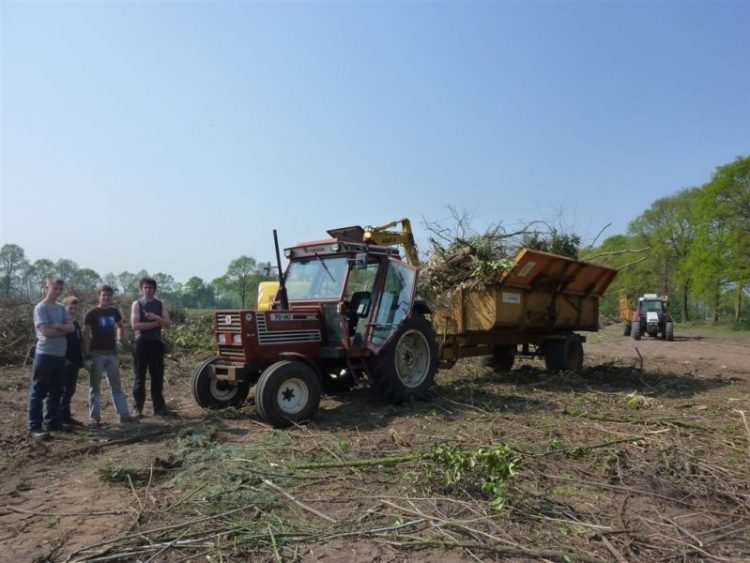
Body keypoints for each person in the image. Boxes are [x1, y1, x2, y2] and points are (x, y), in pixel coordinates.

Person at [28, 276, 74, 440]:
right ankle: (35, 427)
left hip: (59, 356)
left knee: (56, 391)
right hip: (45, 355)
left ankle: (53, 422)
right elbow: (45, 333)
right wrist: (62, 330)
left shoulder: (61, 308)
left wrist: (56, 327)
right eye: (55, 288)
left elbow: (71, 327)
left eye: (60, 289)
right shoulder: (41, 308)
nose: (58, 292)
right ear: (46, 288)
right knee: (38, 392)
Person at [84, 285, 132, 425]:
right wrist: (87, 355)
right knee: (95, 387)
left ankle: (123, 415)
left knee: (116, 385)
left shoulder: (114, 312)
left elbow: (120, 326)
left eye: (108, 295)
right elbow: (86, 335)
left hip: (111, 353)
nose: (106, 298)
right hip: (96, 353)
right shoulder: (91, 313)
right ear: (98, 296)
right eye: (103, 295)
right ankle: (94, 417)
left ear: (112, 297)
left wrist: (118, 340)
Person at [131, 277, 172, 416]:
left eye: (150, 288)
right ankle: (137, 408)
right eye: (145, 287)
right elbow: (135, 326)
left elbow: (168, 324)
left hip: (156, 344)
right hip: (141, 343)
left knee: (157, 377)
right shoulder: (137, 304)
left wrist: (156, 317)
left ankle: (159, 408)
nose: (148, 290)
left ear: (154, 289)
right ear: (141, 289)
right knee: (139, 377)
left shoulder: (161, 304)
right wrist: (155, 324)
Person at [60, 296, 84, 427]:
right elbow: (59, 342)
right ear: (64, 308)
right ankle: (61, 418)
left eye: (75, 308)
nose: (73, 310)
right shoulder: (62, 323)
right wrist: (64, 359)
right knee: (64, 390)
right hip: (65, 361)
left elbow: (79, 342)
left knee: (71, 389)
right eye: (70, 308)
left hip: (75, 361)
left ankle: (67, 416)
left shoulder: (75, 324)